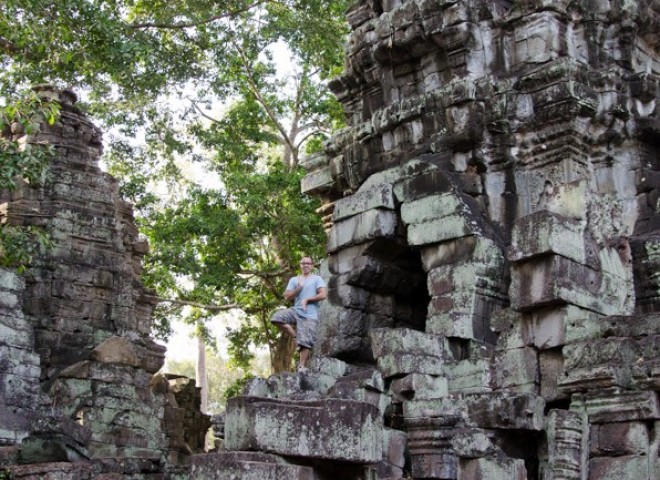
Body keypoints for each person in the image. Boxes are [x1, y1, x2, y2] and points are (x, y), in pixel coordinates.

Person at [271, 256, 327, 372]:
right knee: (276, 318)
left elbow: (323, 295)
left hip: (310, 315)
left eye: (308, 263)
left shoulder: (317, 279)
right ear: (300, 265)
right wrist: (299, 288)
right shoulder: (294, 280)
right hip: (296, 310)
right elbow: (287, 296)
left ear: (312, 265)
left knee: (305, 342)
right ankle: (296, 336)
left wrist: (307, 300)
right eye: (303, 263)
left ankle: (301, 366)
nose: (305, 265)